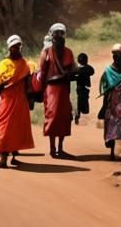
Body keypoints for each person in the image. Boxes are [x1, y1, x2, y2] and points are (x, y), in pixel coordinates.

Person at [0, 35, 36, 168]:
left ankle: (13, 155)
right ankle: (3, 157)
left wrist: (31, 99)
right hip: (7, 100)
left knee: (17, 128)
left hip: (20, 101)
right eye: (13, 47)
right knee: (4, 128)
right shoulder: (4, 64)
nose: (16, 49)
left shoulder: (25, 64)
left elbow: (29, 83)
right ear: (9, 48)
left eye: (18, 46)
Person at [39, 22, 76, 158]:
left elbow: (73, 69)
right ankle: (52, 148)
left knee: (64, 117)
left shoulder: (69, 52)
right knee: (52, 117)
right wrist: (41, 91)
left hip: (65, 89)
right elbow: (42, 73)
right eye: (56, 33)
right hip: (51, 90)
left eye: (61, 33)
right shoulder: (46, 52)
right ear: (52, 35)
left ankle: (60, 148)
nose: (59, 36)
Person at [74, 52, 95, 124]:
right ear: (86, 61)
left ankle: (77, 115)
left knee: (78, 103)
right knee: (83, 104)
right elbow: (92, 71)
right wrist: (86, 65)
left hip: (77, 89)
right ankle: (78, 114)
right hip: (84, 89)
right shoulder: (87, 69)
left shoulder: (76, 70)